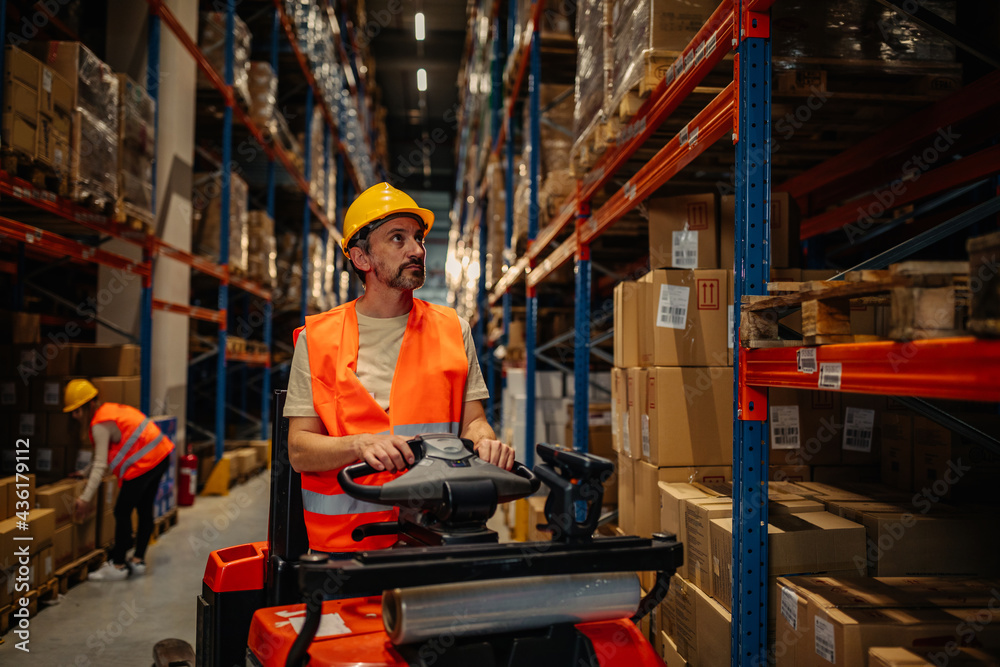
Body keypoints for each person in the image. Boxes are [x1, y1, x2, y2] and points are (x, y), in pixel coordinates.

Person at [285, 182, 516, 555]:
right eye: (398, 238)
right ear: (362, 259)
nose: (417, 250)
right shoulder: (317, 338)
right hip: (344, 552)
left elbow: (473, 422)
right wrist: (360, 444)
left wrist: (486, 441)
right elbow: (299, 450)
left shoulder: (452, 329)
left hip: (435, 538)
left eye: (418, 238)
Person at [64, 379, 174, 581]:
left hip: (147, 462)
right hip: (161, 455)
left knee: (121, 511)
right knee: (143, 508)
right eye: (71, 412)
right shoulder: (108, 411)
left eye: (77, 411)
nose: (74, 416)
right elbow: (103, 457)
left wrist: (85, 498)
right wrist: (84, 473)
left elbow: (99, 464)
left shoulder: (99, 424)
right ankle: (138, 559)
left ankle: (119, 564)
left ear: (89, 405)